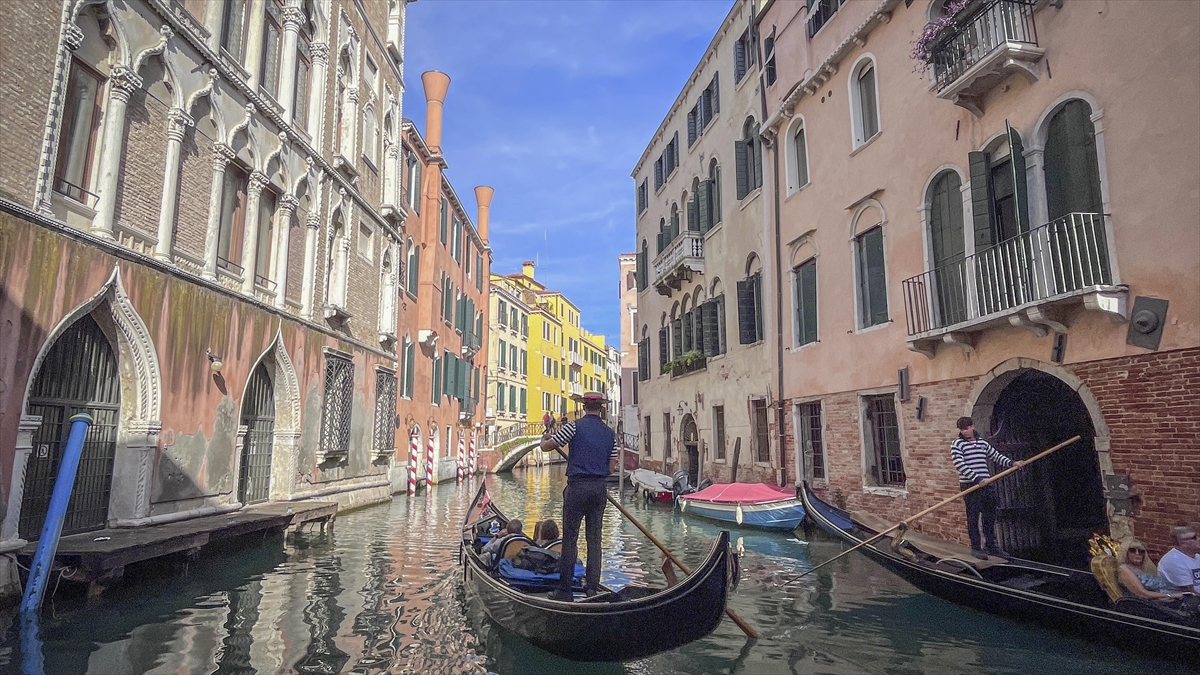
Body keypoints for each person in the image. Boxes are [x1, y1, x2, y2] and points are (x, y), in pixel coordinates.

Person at [541, 391, 615, 601]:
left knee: (570, 541)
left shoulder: (573, 427)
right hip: (599, 489)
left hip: (577, 488)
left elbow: (548, 446)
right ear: (601, 408)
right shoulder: (610, 434)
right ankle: (592, 589)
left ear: (584, 407)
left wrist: (543, 440)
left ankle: (564, 592)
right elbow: (612, 466)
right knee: (595, 541)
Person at [950, 417, 1026, 560]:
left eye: (967, 428)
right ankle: (976, 548)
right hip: (970, 485)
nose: (965, 432)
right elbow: (959, 464)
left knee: (989, 515)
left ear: (973, 426)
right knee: (973, 517)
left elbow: (996, 456)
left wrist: (1013, 463)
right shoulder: (957, 444)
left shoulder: (983, 443)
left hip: (986, 484)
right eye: (962, 430)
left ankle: (991, 546)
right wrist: (976, 479)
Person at [1116, 537, 1189, 602]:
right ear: (1125, 553)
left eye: (1141, 551)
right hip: (1153, 606)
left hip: (1169, 598)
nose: (1137, 553)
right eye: (1132, 550)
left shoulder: (1144, 569)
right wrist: (1171, 595)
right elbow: (1142, 594)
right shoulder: (1124, 569)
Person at [1159, 526, 1200, 594]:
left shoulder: (1197, 556)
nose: (1199, 539)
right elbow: (1190, 592)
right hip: (1180, 601)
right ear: (1182, 543)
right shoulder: (1174, 560)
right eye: (1194, 538)